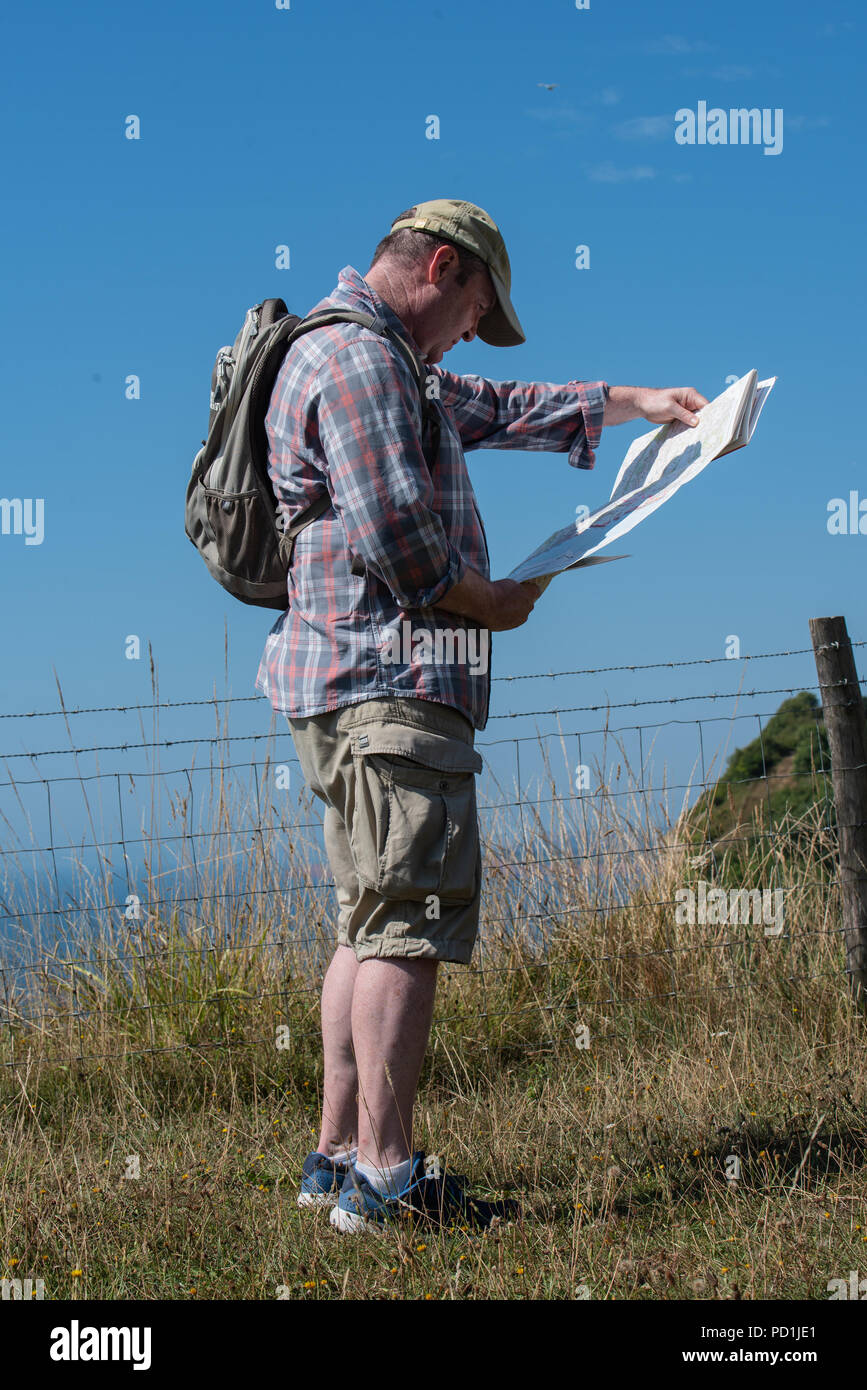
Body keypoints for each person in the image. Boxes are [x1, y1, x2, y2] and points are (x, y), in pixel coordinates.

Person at [255, 198, 707, 1232]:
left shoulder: (383, 361)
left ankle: (335, 1160)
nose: (470, 335)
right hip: (391, 684)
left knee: (367, 923)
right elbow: (403, 545)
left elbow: (499, 405)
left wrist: (639, 403)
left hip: (349, 688)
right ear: (443, 269)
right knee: (407, 926)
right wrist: (494, 602)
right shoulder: (364, 364)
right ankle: (386, 1179)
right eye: (475, 312)